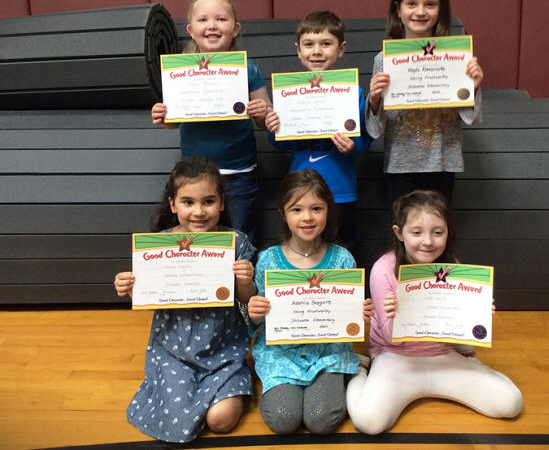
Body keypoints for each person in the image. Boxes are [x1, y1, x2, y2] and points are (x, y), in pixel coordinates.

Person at [346, 190, 523, 434]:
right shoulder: (383, 269)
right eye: (416, 232)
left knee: (511, 404)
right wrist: (395, 314)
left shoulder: (454, 268)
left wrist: (476, 317)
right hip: (395, 360)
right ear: (399, 233)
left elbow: (463, 336)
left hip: (442, 356)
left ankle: (479, 369)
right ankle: (358, 372)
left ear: (448, 231)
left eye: (437, 232)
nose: (428, 241)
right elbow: (388, 336)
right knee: (369, 422)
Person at [113, 156, 257, 443]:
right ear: (172, 205)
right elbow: (150, 295)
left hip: (223, 349)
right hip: (173, 349)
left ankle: (226, 387)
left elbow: (248, 301)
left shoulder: (235, 242)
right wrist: (130, 286)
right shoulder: (160, 243)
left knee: (222, 421)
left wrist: (245, 281)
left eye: (208, 201)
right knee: (176, 419)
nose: (199, 212)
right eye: (188, 202)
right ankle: (187, 393)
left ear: (222, 203)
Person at [247, 169, 373, 434]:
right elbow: (256, 322)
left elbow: (349, 318)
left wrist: (359, 314)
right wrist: (255, 311)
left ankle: (353, 369)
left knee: (320, 420)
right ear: (283, 214)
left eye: (316, 208)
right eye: (297, 209)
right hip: (281, 354)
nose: (307, 217)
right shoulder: (268, 260)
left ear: (328, 211)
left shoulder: (342, 259)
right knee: (283, 419)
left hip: (327, 353)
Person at [151, 0, 272, 243]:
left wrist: (262, 111)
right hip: (195, 176)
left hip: (239, 172)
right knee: (198, 239)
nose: (212, 26)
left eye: (221, 19)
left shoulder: (248, 69)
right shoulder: (179, 71)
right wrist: (163, 117)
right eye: (203, 20)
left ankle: (242, 283)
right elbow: (173, 121)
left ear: (235, 28)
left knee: (243, 237)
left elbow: (266, 119)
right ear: (191, 29)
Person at [366, 0, 484, 205]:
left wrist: (474, 86)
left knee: (438, 231)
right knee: (403, 233)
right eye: (411, 4)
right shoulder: (384, 60)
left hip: (442, 161)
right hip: (400, 165)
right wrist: (375, 99)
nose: (420, 11)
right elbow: (374, 129)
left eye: (430, 4)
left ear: (441, 10)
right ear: (398, 10)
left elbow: (471, 117)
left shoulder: (456, 56)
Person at [264, 11, 373, 250]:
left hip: (341, 192)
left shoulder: (352, 92)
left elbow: (365, 141)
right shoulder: (288, 94)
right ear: (298, 50)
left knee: (344, 250)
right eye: (309, 44)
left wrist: (353, 148)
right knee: (304, 250)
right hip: (300, 192)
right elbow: (283, 144)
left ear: (341, 49)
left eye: (326, 44)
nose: (317, 51)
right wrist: (273, 129)